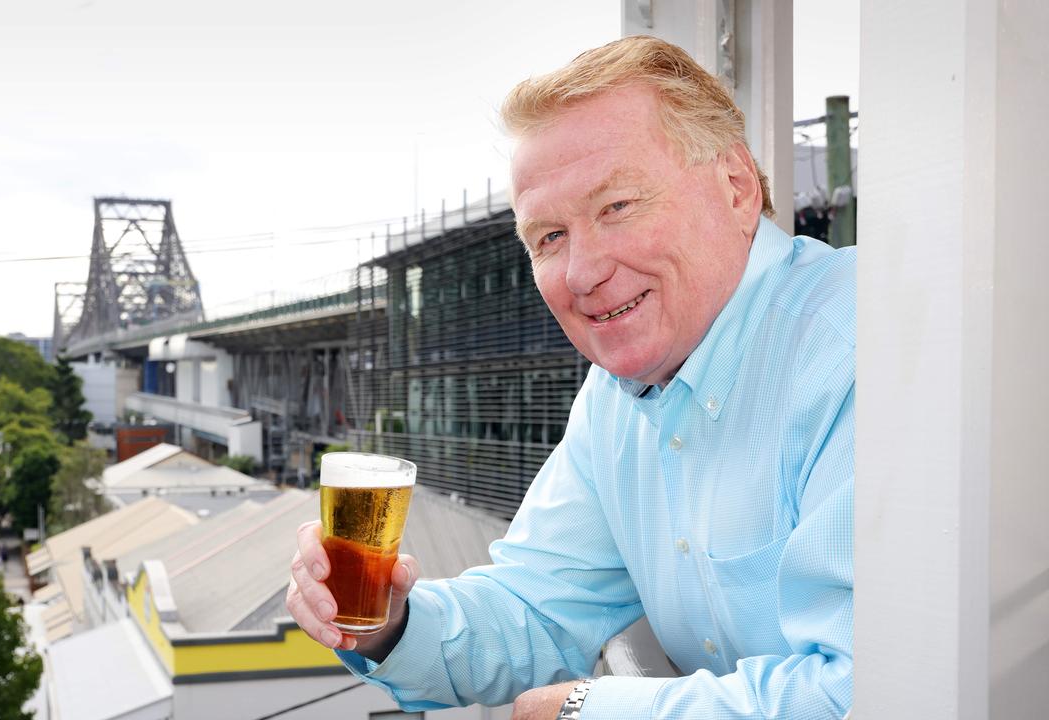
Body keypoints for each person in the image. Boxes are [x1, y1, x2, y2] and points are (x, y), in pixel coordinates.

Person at [288, 35, 854, 719]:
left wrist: (588, 709)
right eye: (548, 238)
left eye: (617, 207)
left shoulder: (859, 349)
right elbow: (538, 608)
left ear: (736, 188)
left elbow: (872, 690)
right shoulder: (618, 399)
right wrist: (391, 622)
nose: (582, 273)